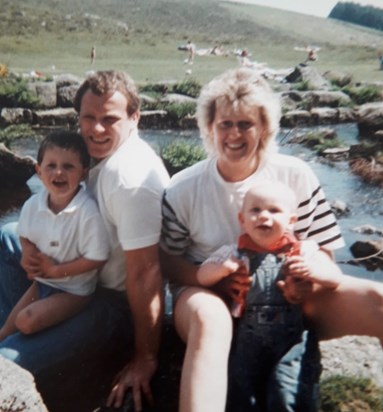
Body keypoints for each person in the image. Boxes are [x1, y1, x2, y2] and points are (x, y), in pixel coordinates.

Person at [161, 66, 383, 412]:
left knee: (378, 298)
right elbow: (169, 262)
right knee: (210, 319)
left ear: (264, 127)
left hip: (285, 300)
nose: (234, 134)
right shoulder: (183, 187)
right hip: (208, 295)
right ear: (209, 127)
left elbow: (324, 254)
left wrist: (305, 280)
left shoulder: (296, 174)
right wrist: (214, 281)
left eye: (245, 124)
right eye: (225, 124)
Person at [0, 70, 170, 411]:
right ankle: (10, 330)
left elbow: (146, 272)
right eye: (88, 118)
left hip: (111, 302)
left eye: (110, 119)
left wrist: (145, 358)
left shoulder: (129, 180)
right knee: (8, 235)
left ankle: (15, 350)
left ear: (135, 117)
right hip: (80, 274)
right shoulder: (104, 155)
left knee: (6, 366)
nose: (96, 129)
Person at [197, 181, 344, 411]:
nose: (263, 216)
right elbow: (202, 276)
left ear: (291, 221)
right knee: (241, 392)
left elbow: (335, 278)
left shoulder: (303, 251)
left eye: (274, 210)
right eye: (255, 210)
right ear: (242, 219)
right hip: (247, 340)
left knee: (287, 392)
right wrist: (222, 269)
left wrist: (314, 271)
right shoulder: (234, 252)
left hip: (291, 341)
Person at [0, 131, 109, 341]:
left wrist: (57, 271)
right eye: (51, 166)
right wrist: (28, 255)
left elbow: (97, 258)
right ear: (39, 171)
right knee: (6, 330)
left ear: (83, 173)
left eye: (68, 167)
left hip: (74, 291)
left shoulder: (87, 211)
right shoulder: (33, 205)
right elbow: (25, 235)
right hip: (42, 283)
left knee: (26, 321)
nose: (59, 173)